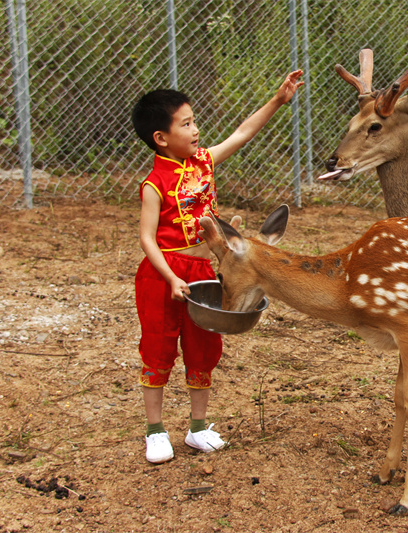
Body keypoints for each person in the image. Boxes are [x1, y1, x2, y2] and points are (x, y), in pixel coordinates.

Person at [130, 70, 303, 464]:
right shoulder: (154, 183)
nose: (195, 131)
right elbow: (146, 239)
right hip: (162, 276)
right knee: (158, 348)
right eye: (186, 124)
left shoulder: (204, 162)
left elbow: (242, 133)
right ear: (161, 137)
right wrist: (171, 277)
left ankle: (197, 427)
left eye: (194, 122)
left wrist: (277, 101)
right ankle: (155, 432)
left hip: (205, 270)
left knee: (203, 345)